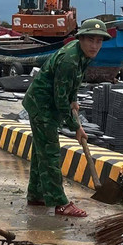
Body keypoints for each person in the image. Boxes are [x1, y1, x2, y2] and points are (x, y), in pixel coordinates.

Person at [21, 18, 112, 217]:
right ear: (81, 39)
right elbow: (60, 99)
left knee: (41, 152)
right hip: (42, 105)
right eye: (90, 40)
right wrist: (76, 127)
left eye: (99, 41)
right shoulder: (70, 59)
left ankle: (36, 194)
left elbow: (72, 84)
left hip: (47, 103)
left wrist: (74, 99)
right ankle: (59, 202)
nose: (95, 45)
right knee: (50, 152)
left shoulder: (82, 54)